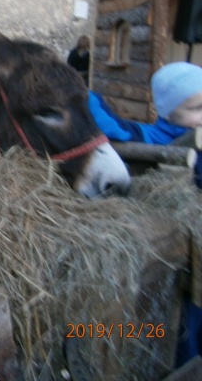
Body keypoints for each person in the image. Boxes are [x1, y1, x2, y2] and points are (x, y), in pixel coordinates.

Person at [89, 61, 202, 367]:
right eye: (196, 109)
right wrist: (78, 91)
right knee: (186, 322)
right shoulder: (156, 138)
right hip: (180, 244)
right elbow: (111, 124)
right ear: (169, 112)